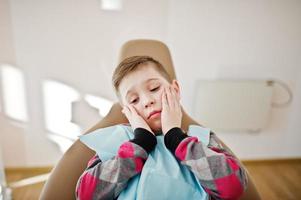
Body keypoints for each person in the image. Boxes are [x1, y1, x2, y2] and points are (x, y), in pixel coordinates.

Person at [75, 56, 248, 200]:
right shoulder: (118, 142)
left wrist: (176, 137)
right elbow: (86, 195)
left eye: (154, 88)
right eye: (134, 100)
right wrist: (140, 143)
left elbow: (233, 187)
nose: (147, 101)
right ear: (128, 112)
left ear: (175, 90)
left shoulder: (202, 140)